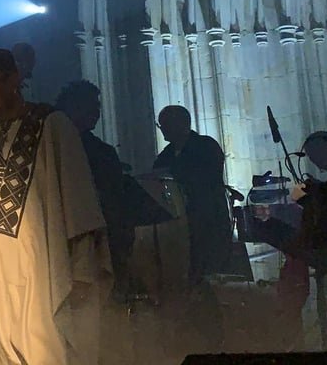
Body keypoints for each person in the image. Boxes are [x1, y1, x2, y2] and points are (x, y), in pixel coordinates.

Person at [0, 49, 108, 365]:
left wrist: (82, 269)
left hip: (34, 267)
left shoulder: (53, 125)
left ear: (14, 79)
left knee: (41, 348)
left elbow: (77, 198)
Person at [54, 81, 133, 293]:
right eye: (91, 106)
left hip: (102, 240)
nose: (97, 113)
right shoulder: (54, 149)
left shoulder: (102, 151)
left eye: (97, 107)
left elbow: (116, 201)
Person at [151, 105, 232, 283]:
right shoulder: (165, 155)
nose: (162, 128)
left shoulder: (206, 146)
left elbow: (206, 179)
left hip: (208, 220)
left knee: (211, 277)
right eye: (161, 125)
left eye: (165, 124)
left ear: (180, 123)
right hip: (180, 224)